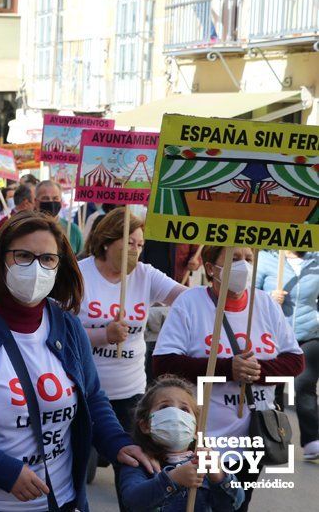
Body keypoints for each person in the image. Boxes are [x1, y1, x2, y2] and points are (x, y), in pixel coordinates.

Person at [0, 211, 157, 511]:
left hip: (60, 500)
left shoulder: (67, 326)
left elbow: (92, 398)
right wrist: (3, 470)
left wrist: (118, 443)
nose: (36, 268)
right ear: (1, 258)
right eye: (24, 256)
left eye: (48, 259)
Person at [153, 246, 304, 510]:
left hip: (251, 438)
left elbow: (295, 361)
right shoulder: (190, 303)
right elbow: (163, 364)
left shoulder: (265, 303)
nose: (243, 265)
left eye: (248, 259)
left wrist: (257, 372)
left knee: (236, 505)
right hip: (199, 437)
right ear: (211, 268)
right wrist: (226, 369)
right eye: (234, 259)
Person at [78, 207, 189, 510]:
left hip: (130, 395)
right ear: (106, 242)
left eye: (140, 245)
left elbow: (185, 298)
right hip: (82, 393)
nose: (136, 251)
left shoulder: (146, 275)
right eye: (129, 243)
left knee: (133, 473)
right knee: (74, 473)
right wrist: (103, 335)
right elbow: (61, 333)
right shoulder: (80, 274)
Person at [119, 375, 244, 512]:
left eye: (184, 409)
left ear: (196, 428)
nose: (176, 414)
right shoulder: (139, 463)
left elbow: (231, 505)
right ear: (145, 425)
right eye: (164, 407)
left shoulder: (203, 461)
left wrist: (219, 476)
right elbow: (132, 500)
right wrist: (173, 479)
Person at [256, 249, 319, 461]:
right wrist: (267, 297)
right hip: (273, 335)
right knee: (273, 389)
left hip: (309, 333)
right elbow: (249, 294)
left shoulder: (316, 260)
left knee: (304, 384)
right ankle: (274, 437)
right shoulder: (266, 258)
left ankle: (312, 441)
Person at [35, 180, 83, 255]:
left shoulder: (73, 230)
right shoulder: (27, 228)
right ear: (36, 201)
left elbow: (80, 261)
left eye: (55, 198)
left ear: (60, 201)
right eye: (45, 198)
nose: (51, 202)